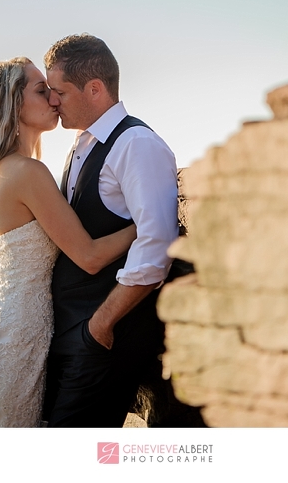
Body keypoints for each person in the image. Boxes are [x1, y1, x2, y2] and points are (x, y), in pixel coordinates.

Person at [0, 57, 136, 428]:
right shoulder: (27, 172)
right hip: (12, 342)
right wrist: (150, 223)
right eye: (43, 91)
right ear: (12, 104)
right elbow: (89, 256)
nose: (55, 100)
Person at [42, 34, 179, 427]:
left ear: (95, 89)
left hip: (103, 337)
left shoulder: (135, 144)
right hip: (70, 333)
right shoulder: (82, 143)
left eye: (60, 92)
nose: (54, 101)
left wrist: (100, 325)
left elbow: (156, 245)